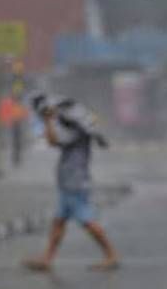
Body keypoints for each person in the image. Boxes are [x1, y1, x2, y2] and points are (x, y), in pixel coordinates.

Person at [23, 95, 119, 272]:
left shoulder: (75, 132)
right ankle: (47, 259)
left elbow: (53, 141)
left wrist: (48, 120)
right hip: (69, 182)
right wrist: (50, 118)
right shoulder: (75, 130)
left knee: (87, 221)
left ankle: (111, 255)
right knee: (58, 222)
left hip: (75, 183)